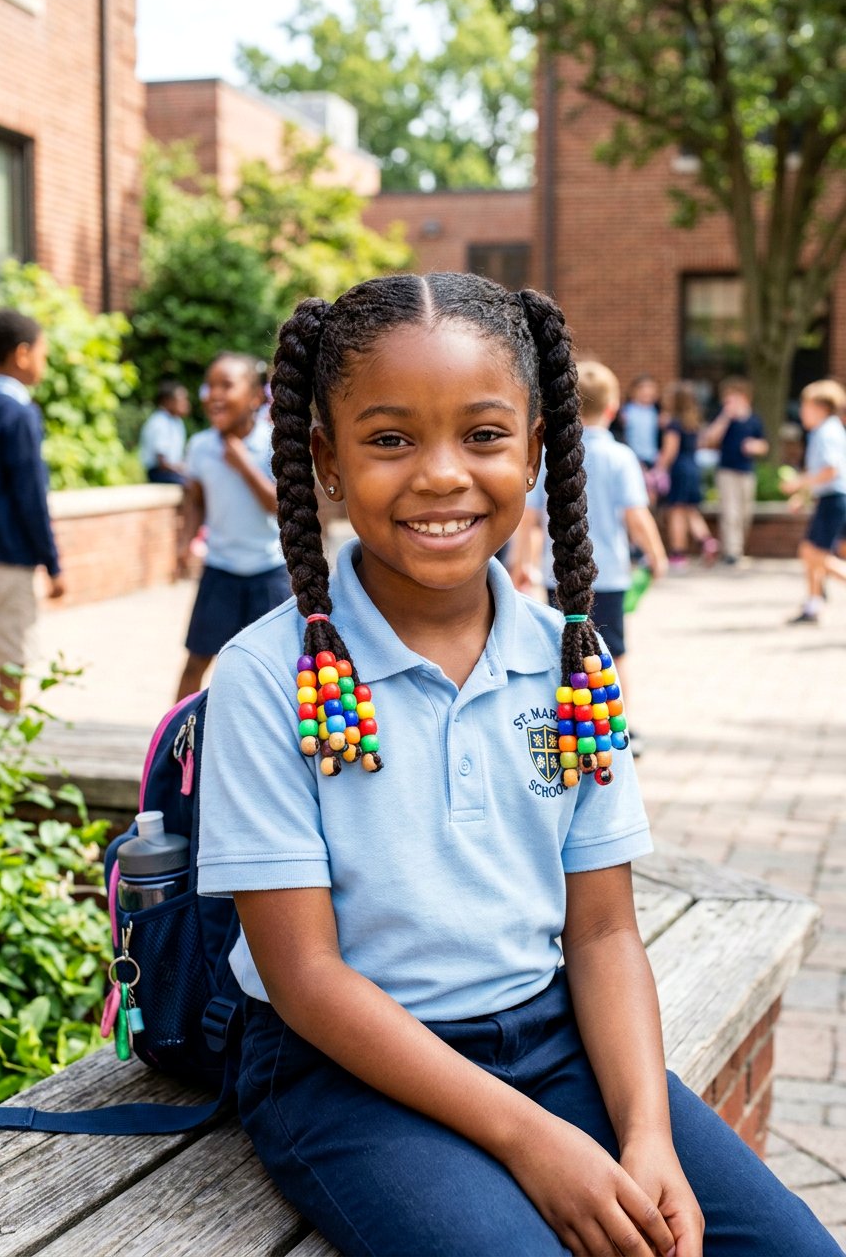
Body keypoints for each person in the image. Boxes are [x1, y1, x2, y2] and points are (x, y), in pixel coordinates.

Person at [194, 273, 839, 1257]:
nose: (441, 474)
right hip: (347, 1071)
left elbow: (604, 934)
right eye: (389, 438)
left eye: (483, 435)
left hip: (549, 1044)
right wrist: (530, 1139)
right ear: (325, 459)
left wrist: (644, 1134)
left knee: (787, 1247)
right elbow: (306, 976)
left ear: (536, 448)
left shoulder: (569, 662)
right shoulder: (264, 677)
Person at [512, 360, 667, 752]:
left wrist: (520, 564)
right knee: (614, 650)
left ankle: (572, 723)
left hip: (557, 574)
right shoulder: (621, 457)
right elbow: (636, 515)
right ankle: (621, 728)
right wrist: (656, 554)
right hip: (610, 573)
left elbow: (529, 519)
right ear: (613, 408)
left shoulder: (549, 457)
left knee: (567, 645)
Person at [175, 352, 290, 699]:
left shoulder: (275, 444)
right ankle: (175, 744)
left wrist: (242, 463)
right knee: (196, 662)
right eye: (209, 386)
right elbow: (195, 501)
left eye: (226, 385)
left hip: (269, 572)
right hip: (220, 571)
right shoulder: (199, 446)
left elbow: (279, 506)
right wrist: (184, 543)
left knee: (279, 667)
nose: (214, 394)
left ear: (256, 397)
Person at [0, 309, 64, 712]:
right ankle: (8, 756)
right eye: (42, 352)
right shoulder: (19, 412)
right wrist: (52, 562)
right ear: (22, 354)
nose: (44, 361)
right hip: (10, 558)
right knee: (11, 659)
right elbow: (29, 495)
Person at [781, 378, 846, 624]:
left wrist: (799, 483)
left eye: (805, 406)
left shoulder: (826, 432)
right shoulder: (825, 430)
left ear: (820, 407)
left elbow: (831, 470)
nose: (802, 412)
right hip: (829, 498)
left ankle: (814, 604)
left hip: (833, 500)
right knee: (810, 553)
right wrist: (804, 495)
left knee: (812, 553)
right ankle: (813, 604)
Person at [700, 377, 769, 565]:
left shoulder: (754, 420)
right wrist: (725, 417)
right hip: (726, 471)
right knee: (730, 511)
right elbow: (710, 439)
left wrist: (755, 446)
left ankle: (737, 548)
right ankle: (732, 552)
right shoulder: (723, 418)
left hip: (747, 471)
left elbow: (764, 445)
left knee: (745, 512)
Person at [655, 381, 720, 570]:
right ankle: (707, 541)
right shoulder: (692, 423)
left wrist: (659, 468)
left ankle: (678, 553)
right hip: (693, 467)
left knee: (676, 511)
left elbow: (670, 450)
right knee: (690, 510)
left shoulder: (673, 425)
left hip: (679, 469)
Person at [138, 381, 191, 484]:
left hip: (171, 471)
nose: (186, 403)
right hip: (158, 473)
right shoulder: (160, 422)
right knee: (191, 486)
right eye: (181, 400)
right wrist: (181, 468)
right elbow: (162, 463)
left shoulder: (177, 421)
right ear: (167, 401)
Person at [619, 373, 661, 471]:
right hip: (633, 458)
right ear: (633, 391)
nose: (646, 391)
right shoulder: (626, 411)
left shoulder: (656, 411)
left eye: (650, 388)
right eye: (642, 388)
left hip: (652, 459)